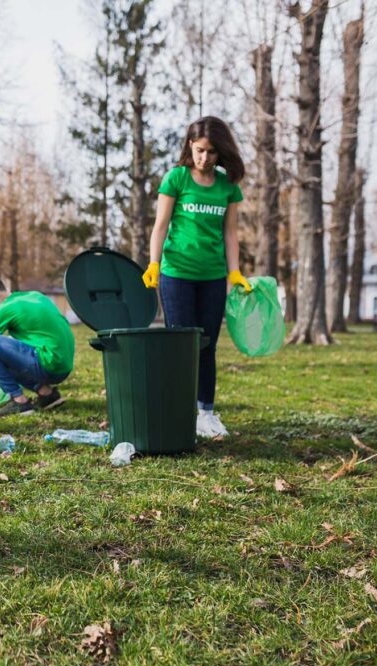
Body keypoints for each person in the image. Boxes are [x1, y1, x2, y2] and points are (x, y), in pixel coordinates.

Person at [141, 116, 252, 439]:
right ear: (191, 145)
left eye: (212, 153)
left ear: (221, 153)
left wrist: (234, 272)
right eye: (200, 150)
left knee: (207, 347)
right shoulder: (176, 179)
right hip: (177, 274)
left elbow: (231, 233)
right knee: (182, 347)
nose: (205, 158)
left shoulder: (227, 186)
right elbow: (160, 225)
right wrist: (153, 263)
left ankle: (206, 413)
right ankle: (180, 412)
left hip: (213, 276)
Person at [0, 274, 75, 416]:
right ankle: (47, 394)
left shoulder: (5, 308)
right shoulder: (34, 295)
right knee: (6, 348)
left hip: (48, 364)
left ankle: (18, 400)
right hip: (63, 366)